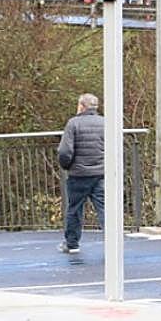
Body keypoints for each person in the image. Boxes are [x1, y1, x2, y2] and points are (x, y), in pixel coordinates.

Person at [57, 93, 104, 253]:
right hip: (100, 173)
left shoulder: (73, 123)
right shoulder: (105, 123)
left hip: (78, 174)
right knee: (104, 209)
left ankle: (72, 244)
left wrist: (66, 166)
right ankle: (113, 242)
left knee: (74, 209)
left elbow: (65, 151)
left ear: (82, 106)